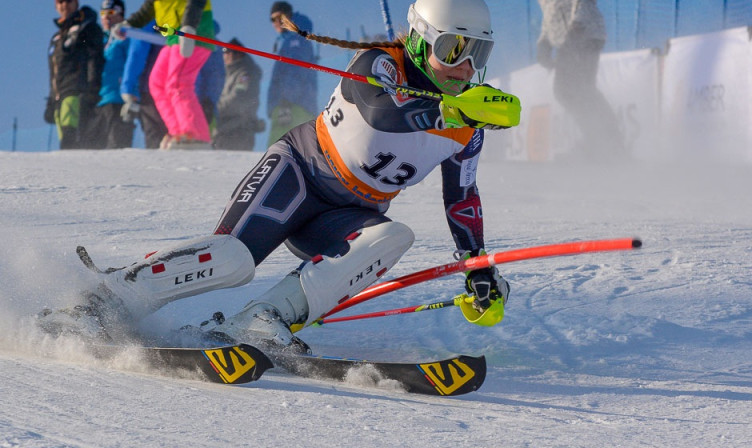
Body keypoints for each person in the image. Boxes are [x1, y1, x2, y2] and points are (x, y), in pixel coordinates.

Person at [38, 0, 516, 353]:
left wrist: (478, 267)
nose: (467, 67)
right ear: (420, 39)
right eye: (454, 48)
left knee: (394, 237)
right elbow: (381, 112)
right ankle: (102, 302)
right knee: (231, 260)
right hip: (299, 173)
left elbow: (461, 198)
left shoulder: (466, 128)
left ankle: (262, 320)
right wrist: (450, 110)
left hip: (348, 215)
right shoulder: (380, 62)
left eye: (479, 52)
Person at [121, 0, 216, 150]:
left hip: (194, 32)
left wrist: (189, 27)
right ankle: (178, 132)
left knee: (179, 83)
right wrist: (128, 24)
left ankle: (196, 135)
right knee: (157, 83)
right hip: (173, 37)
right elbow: (148, 9)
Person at [536, 0, 624, 159]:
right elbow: (550, 9)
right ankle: (601, 141)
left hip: (583, 32)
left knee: (571, 90)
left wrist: (578, 23)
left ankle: (608, 141)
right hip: (571, 37)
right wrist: (545, 40)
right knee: (575, 91)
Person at [45, 0, 104, 150]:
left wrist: (92, 88)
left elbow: (94, 58)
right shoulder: (57, 38)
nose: (64, 5)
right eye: (60, 1)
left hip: (76, 90)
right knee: (65, 141)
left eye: (69, 1)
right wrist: (51, 100)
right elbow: (54, 72)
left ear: (76, 3)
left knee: (70, 138)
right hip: (59, 96)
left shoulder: (85, 28)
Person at [266, 1, 317, 145]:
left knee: (278, 149)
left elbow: (296, 70)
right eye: (272, 19)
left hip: (292, 105)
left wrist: (286, 101)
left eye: (279, 17)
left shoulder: (296, 39)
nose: (275, 22)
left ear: (289, 15)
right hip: (293, 105)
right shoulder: (289, 40)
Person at [119, 19, 168, 149]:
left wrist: (127, 88)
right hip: (179, 89)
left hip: (151, 89)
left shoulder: (150, 24)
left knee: (155, 134)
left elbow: (137, 54)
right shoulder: (187, 23)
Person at [93, 0, 135, 149]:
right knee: (94, 151)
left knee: (117, 148)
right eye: (103, 13)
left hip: (118, 100)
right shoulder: (100, 40)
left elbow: (135, 66)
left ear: (121, 14)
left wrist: (132, 97)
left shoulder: (126, 38)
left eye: (111, 12)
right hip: (100, 101)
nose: (106, 17)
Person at [215, 38, 264, 151]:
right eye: (224, 52)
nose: (225, 55)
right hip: (226, 129)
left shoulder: (245, 73)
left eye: (227, 51)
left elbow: (238, 99)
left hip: (238, 130)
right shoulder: (230, 73)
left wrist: (215, 110)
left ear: (238, 54)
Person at [195, 20, 225, 140]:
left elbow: (216, 75)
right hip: (187, 101)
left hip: (203, 102)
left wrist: (209, 100)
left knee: (202, 141)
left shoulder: (212, 45)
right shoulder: (191, 40)